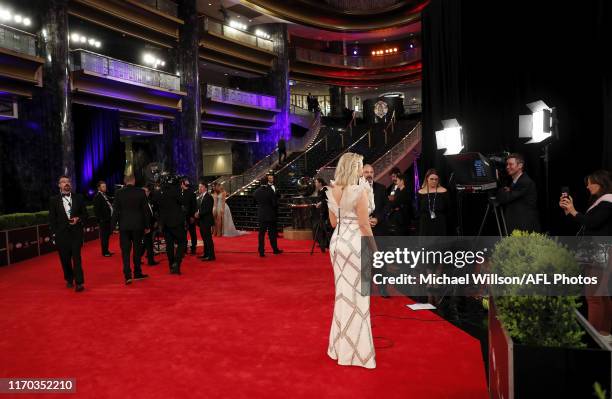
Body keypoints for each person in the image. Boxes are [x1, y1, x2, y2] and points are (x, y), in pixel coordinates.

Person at [326, 152, 376, 369]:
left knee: (343, 296)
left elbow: (333, 222)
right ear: (354, 168)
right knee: (359, 298)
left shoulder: (332, 190)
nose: (361, 171)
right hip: (356, 245)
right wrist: (375, 250)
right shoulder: (359, 191)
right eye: (360, 167)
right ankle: (357, 353)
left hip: (338, 244)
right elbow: (365, 226)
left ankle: (338, 348)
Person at [560, 170, 612, 342]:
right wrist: (570, 211)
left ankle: (594, 338)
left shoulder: (607, 201)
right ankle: (604, 334)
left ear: (601, 183)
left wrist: (574, 211)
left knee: (594, 295)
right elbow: (587, 224)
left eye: (591, 183)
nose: (588, 186)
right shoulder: (601, 202)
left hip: (601, 251)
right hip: (598, 251)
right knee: (601, 294)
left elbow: (592, 223)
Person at [49, 175, 86, 292]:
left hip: (76, 234)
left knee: (77, 259)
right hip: (62, 235)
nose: (66, 183)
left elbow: (86, 214)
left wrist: (78, 219)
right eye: (63, 182)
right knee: (65, 260)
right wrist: (54, 234)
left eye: (68, 181)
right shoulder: (53, 200)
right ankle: (69, 279)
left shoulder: (79, 198)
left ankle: (79, 283)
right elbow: (52, 219)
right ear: (59, 185)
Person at [111, 175, 150, 285]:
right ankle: (137, 272)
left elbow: (116, 211)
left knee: (125, 251)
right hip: (138, 226)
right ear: (134, 181)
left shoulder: (119, 193)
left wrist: (112, 227)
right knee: (137, 250)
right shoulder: (141, 192)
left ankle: (127, 275)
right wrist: (147, 226)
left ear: (125, 181)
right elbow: (146, 211)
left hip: (124, 227)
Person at [496, 153, 540, 234]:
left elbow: (504, 199)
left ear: (520, 165)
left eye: (511, 164)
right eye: (507, 164)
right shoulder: (516, 181)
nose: (507, 167)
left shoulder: (525, 182)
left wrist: (498, 183)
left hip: (524, 229)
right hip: (517, 227)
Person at [152, 179, 186, 275]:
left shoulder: (159, 193)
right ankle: (177, 262)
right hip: (176, 222)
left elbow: (155, 206)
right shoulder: (175, 190)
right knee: (182, 241)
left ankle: (171, 265)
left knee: (169, 245)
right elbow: (183, 201)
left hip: (165, 223)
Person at [253, 173, 283, 257]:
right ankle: (275, 250)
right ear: (267, 182)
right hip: (271, 215)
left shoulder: (256, 192)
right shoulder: (270, 191)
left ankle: (261, 252)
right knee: (272, 234)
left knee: (261, 234)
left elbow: (254, 203)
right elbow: (274, 203)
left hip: (261, 215)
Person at [417, 169, 450, 236]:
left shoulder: (444, 191)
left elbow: (449, 209)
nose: (434, 181)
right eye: (431, 179)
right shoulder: (420, 192)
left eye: (436, 179)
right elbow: (418, 209)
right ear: (427, 179)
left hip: (440, 223)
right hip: (425, 223)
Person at [363, 164, 387, 236]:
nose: (369, 174)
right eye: (366, 172)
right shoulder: (356, 189)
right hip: (361, 228)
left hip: (378, 229)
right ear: (361, 174)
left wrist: (377, 218)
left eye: (371, 172)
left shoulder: (381, 188)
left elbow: (387, 206)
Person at [93, 180, 114, 257]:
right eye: (103, 186)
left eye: (105, 186)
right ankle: (105, 252)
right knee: (104, 237)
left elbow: (110, 201)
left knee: (107, 236)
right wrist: (101, 220)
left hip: (108, 219)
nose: (105, 188)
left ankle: (106, 250)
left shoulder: (104, 195)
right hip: (103, 221)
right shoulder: (98, 197)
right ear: (99, 188)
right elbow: (96, 210)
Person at [197, 182, 216, 261]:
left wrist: (198, 214)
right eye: (199, 187)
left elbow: (207, 210)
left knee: (208, 239)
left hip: (206, 221)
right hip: (202, 221)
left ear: (205, 187)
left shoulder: (208, 197)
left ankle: (211, 256)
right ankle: (206, 254)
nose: (199, 188)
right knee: (204, 239)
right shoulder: (201, 197)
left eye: (201, 187)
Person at [142, 185, 159, 266]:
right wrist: (145, 227)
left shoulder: (150, 200)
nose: (144, 193)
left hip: (150, 225)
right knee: (145, 243)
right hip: (144, 227)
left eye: (145, 191)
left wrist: (155, 221)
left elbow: (153, 212)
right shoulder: (140, 202)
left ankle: (150, 260)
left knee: (148, 243)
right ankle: (138, 259)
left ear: (149, 192)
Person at [180, 178, 198, 255]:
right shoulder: (180, 193)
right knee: (183, 234)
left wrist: (192, 217)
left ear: (183, 184)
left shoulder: (191, 193)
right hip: (182, 218)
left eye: (181, 184)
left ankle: (193, 248)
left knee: (192, 233)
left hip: (190, 217)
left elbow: (194, 205)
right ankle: (184, 248)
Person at [313, 177, 330, 252]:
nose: (315, 184)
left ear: (320, 183)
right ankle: (323, 244)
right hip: (321, 211)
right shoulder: (319, 191)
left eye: (316, 182)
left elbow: (328, 199)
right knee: (320, 228)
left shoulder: (325, 189)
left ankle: (325, 244)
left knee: (323, 229)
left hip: (325, 212)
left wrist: (321, 202)